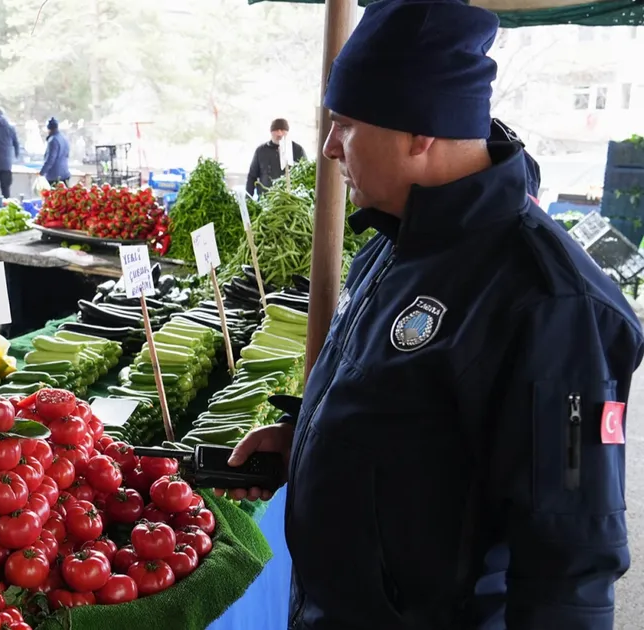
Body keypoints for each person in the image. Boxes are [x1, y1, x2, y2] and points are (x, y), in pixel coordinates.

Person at [225, 1, 642, 628]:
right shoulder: (395, 239)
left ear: (421, 131)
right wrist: (308, 443)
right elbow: (411, 424)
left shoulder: (552, 304)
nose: (330, 150)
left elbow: (568, 568)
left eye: (344, 125)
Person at [245, 118, 306, 197]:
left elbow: (305, 174)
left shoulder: (297, 150)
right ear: (271, 132)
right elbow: (252, 176)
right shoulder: (261, 151)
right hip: (265, 199)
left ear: (287, 132)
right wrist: (248, 199)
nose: (279, 134)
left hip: (291, 200)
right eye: (276, 130)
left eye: (282, 130)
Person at [39, 117, 70, 186]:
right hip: (65, 173)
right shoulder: (63, 138)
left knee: (55, 196)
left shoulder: (53, 140)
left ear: (49, 129)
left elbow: (50, 159)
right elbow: (67, 154)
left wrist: (41, 173)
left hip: (55, 177)